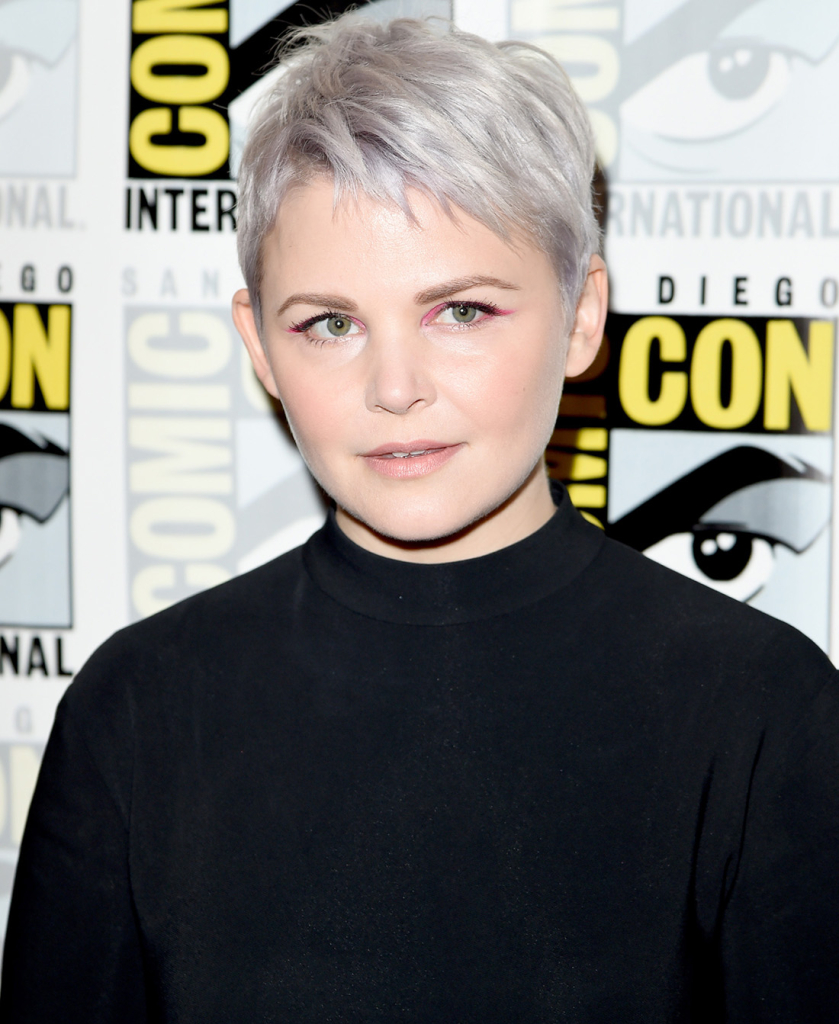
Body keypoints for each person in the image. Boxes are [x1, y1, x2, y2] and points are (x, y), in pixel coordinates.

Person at [2, 14, 838, 1023]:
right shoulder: (136, 710)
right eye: (329, 323)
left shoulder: (761, 707)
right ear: (259, 347)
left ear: (579, 315)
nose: (393, 387)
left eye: (460, 312)